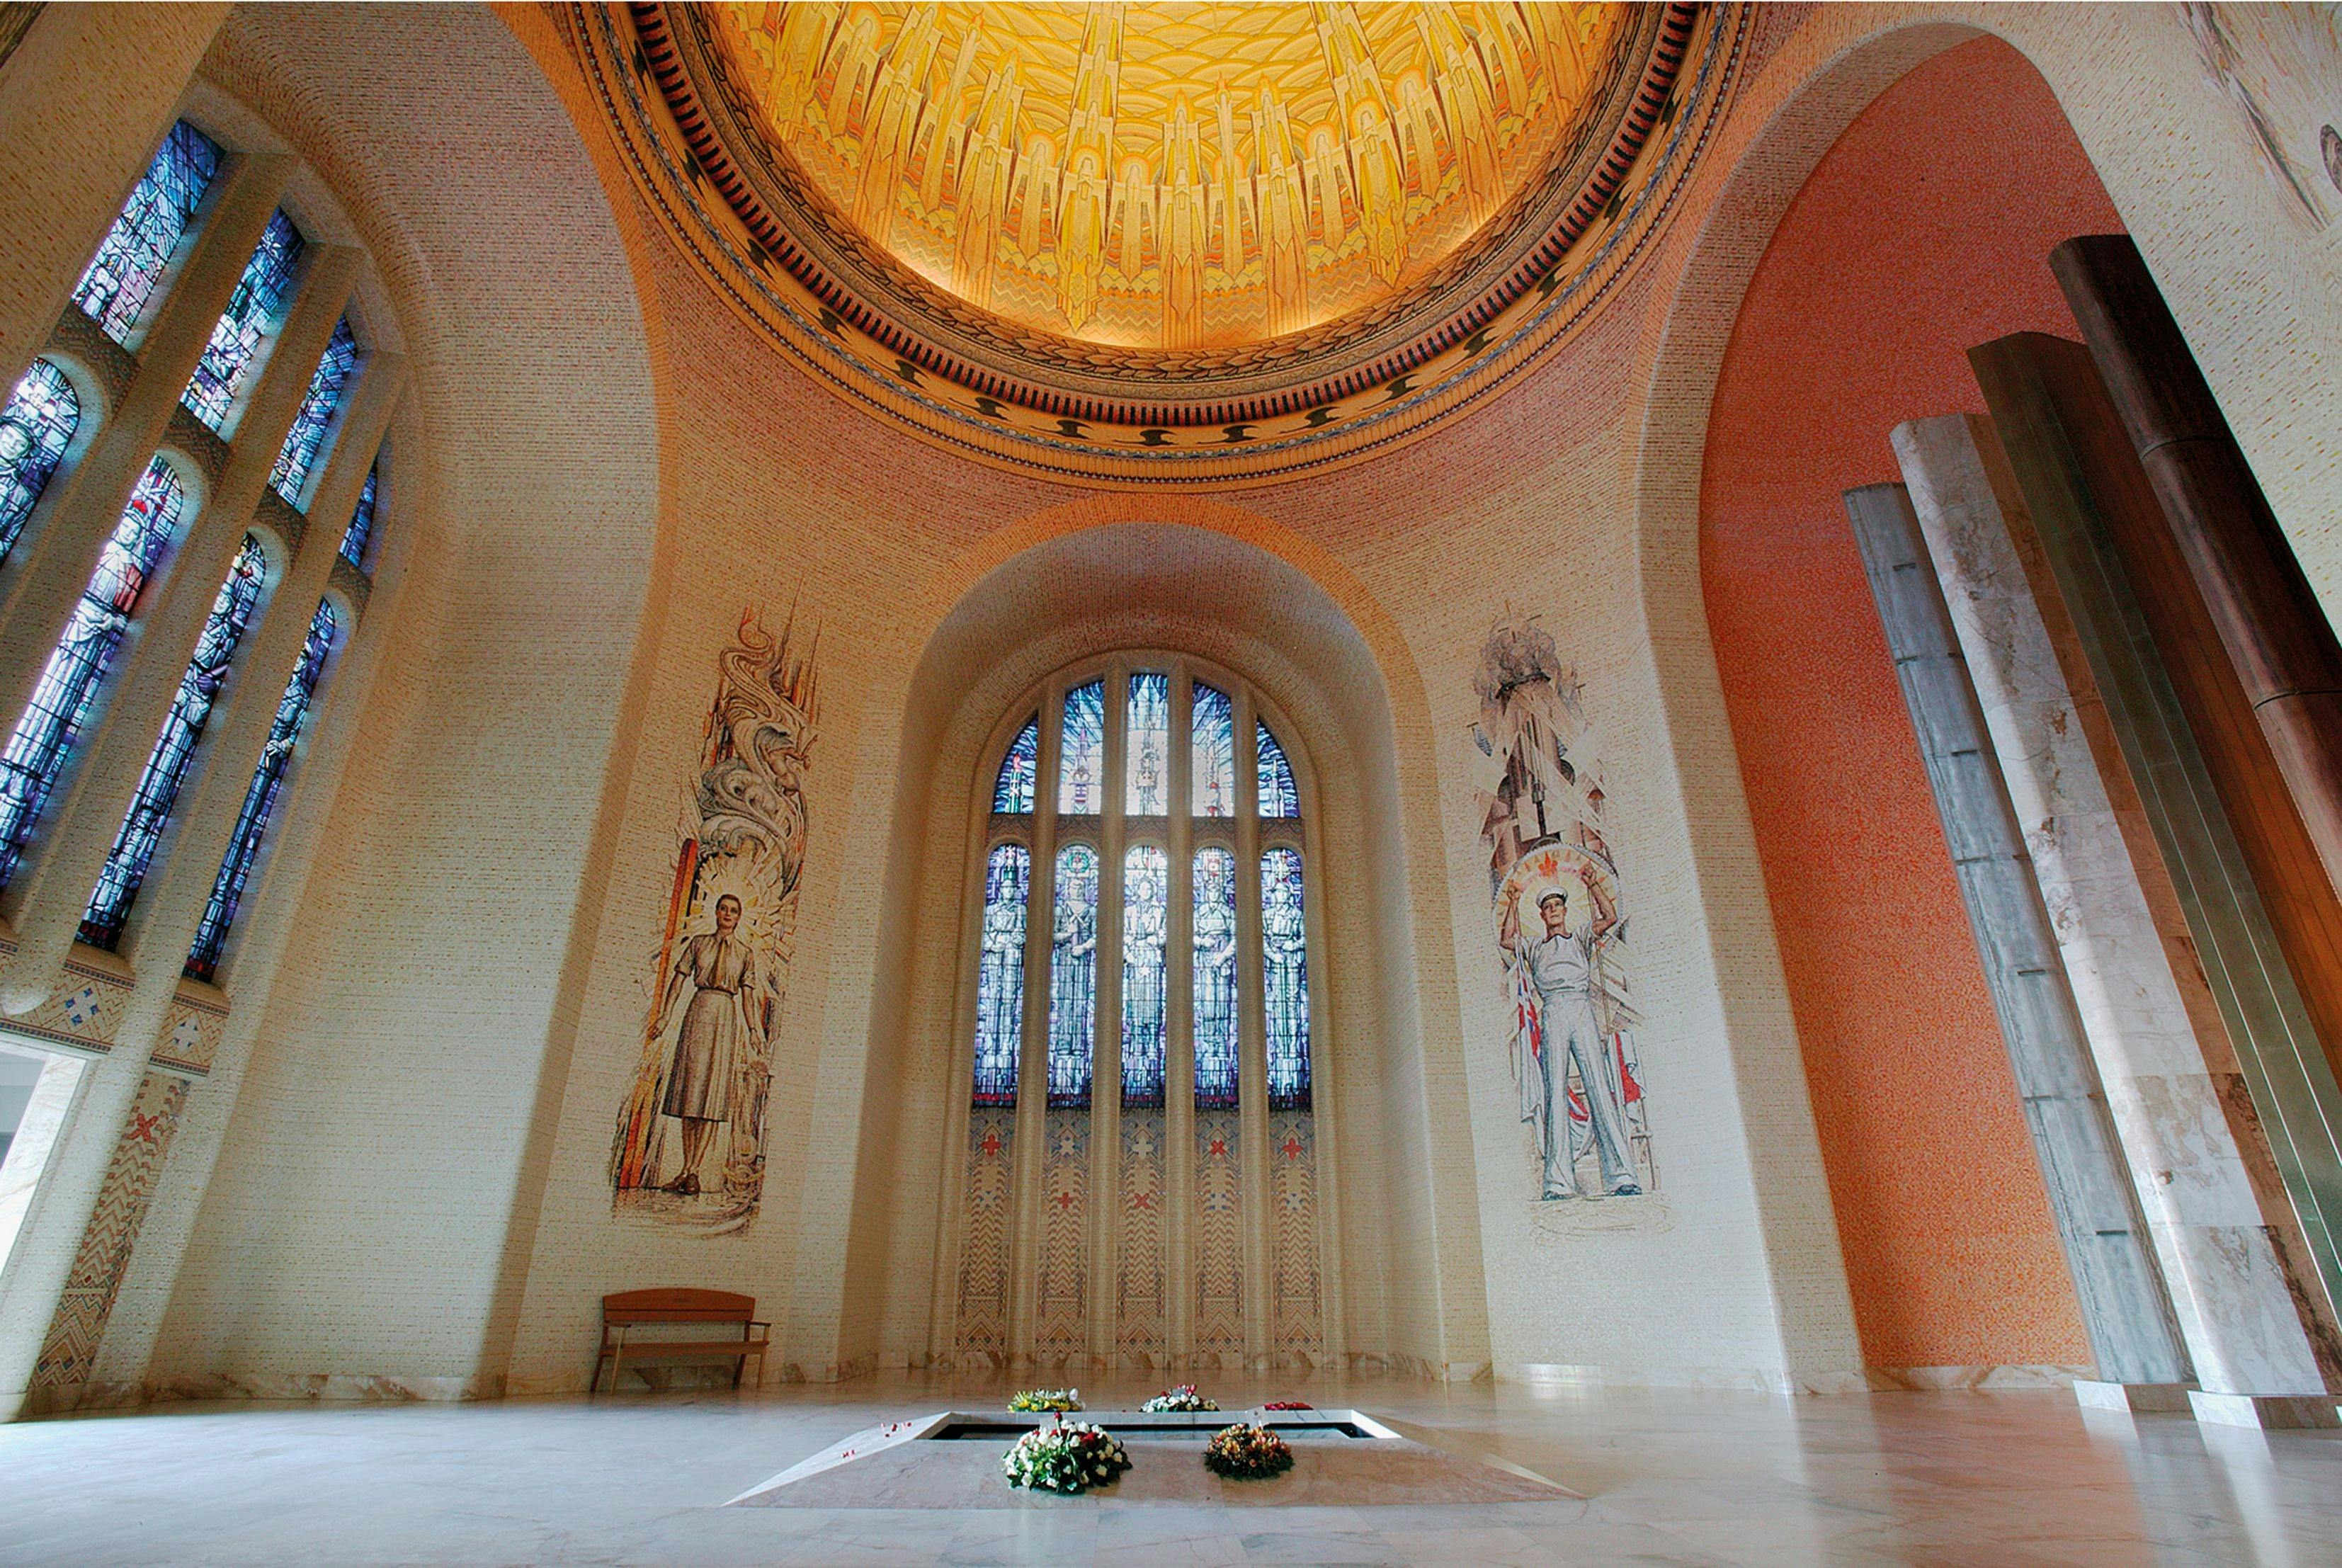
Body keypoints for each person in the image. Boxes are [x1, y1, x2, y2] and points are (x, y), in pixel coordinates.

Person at [1512, 868, 1639, 1199]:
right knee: (1554, 1092)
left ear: (1565, 910)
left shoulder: (1581, 937)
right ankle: (1557, 1183)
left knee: (1599, 1085)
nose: (1554, 911)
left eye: (1558, 906)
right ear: (1541, 914)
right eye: (1548, 907)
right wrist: (1512, 901)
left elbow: (1609, 917)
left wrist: (1592, 883)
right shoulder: (1535, 946)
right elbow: (1506, 940)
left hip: (1581, 1008)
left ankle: (1622, 1176)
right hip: (1553, 1011)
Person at [656, 893, 763, 1196]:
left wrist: (754, 1030)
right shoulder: (699, 943)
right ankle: (687, 1169)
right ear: (716, 913)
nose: (728, 914)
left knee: (711, 1096)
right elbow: (678, 981)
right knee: (691, 1092)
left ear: (739, 917)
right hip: (698, 1012)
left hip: (724, 1017)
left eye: (733, 911)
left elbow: (748, 996)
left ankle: (694, 1171)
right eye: (724, 909)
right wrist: (665, 1016)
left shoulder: (744, 953)